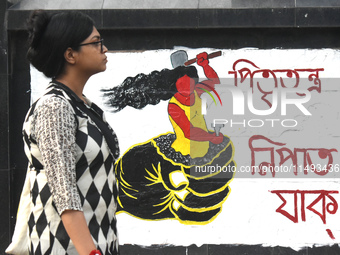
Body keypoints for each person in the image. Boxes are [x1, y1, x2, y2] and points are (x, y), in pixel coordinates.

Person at [10, 10, 120, 255]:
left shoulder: (85, 107)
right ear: (70, 54)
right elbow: (64, 190)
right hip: (64, 246)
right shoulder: (55, 107)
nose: (105, 49)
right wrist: (89, 251)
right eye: (96, 42)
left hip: (99, 241)